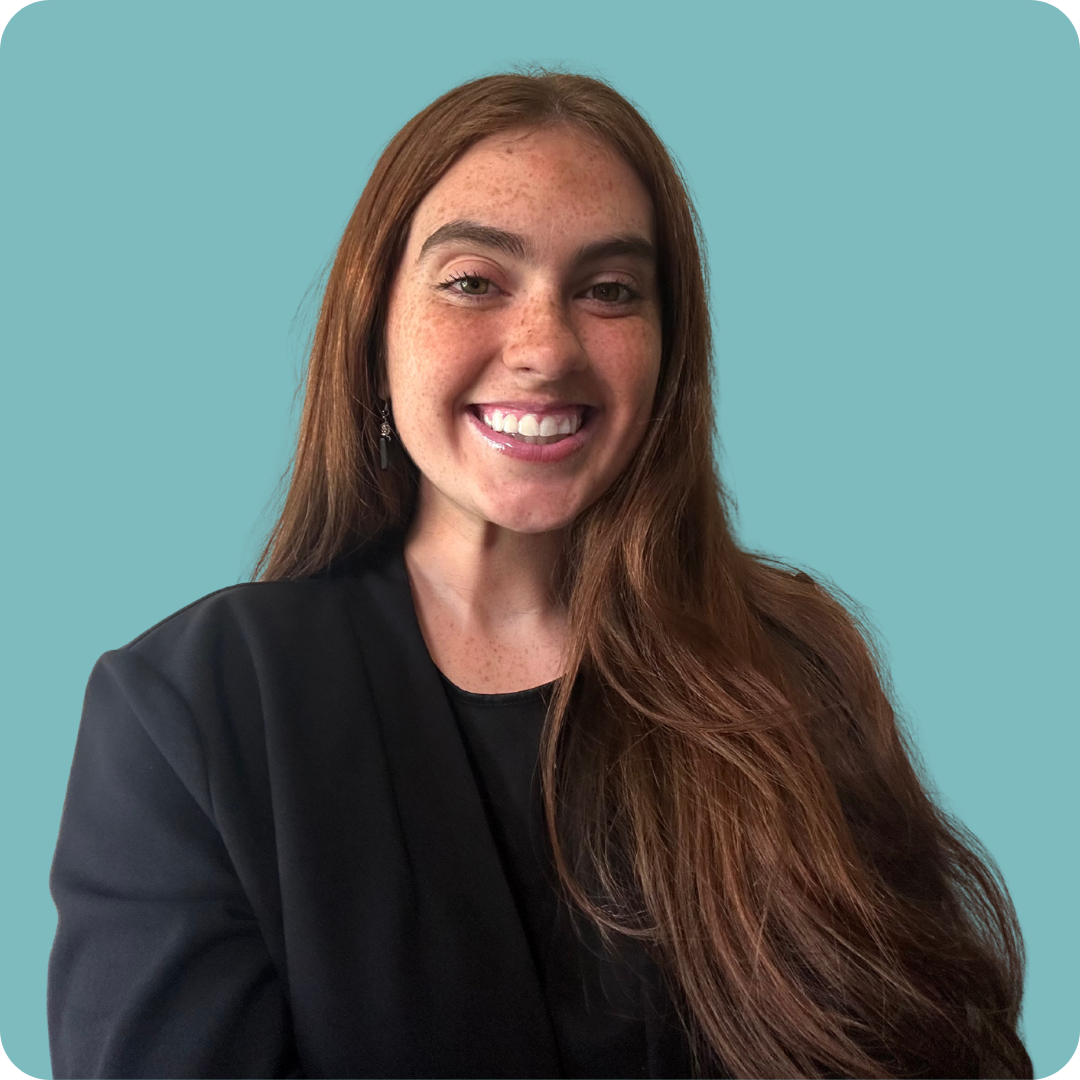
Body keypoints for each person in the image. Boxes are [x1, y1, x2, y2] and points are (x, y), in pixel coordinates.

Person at [47, 69, 1033, 1080]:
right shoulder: (189, 707)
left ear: (668, 352)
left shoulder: (794, 663)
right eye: (474, 280)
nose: (545, 348)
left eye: (610, 291)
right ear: (374, 325)